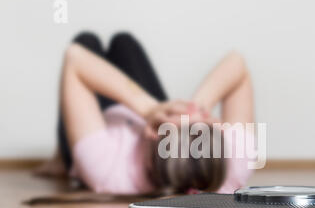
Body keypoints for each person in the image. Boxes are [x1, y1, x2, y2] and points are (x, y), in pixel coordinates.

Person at [36, 32, 255, 195]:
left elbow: (75, 58)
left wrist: (148, 109)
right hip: (142, 116)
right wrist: (199, 106)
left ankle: (61, 159)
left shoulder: (105, 168)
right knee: (124, 42)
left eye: (182, 120)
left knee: (86, 42)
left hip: (104, 122)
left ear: (153, 134)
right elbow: (237, 62)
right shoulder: (234, 164)